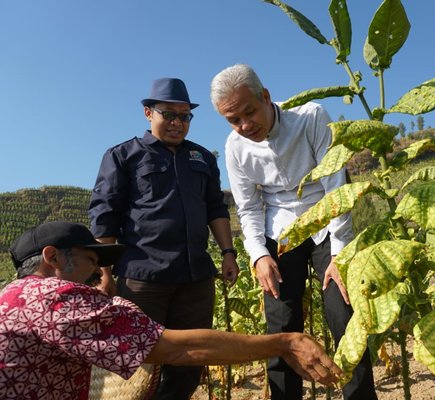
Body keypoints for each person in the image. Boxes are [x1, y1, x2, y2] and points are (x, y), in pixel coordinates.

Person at [0, 221, 341, 400]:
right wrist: (282, 343)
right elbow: (179, 348)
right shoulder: (56, 297)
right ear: (52, 257)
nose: (93, 272)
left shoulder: (11, 295)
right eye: (90, 260)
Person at [210, 64, 377, 400]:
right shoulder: (235, 147)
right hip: (280, 230)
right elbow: (249, 207)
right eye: (233, 120)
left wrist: (339, 254)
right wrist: (258, 255)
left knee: (342, 312)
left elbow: (336, 187)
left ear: (266, 98)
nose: (245, 126)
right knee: (281, 324)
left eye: (249, 112)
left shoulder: (311, 117)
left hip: (328, 224)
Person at [88, 77, 239, 398]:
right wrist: (104, 273)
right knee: (137, 365)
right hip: (143, 279)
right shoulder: (124, 155)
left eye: (184, 116)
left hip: (195, 277)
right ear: (148, 113)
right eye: (168, 114)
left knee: (191, 361)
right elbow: (105, 215)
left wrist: (228, 252)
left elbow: (216, 208)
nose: (177, 123)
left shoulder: (202, 158)